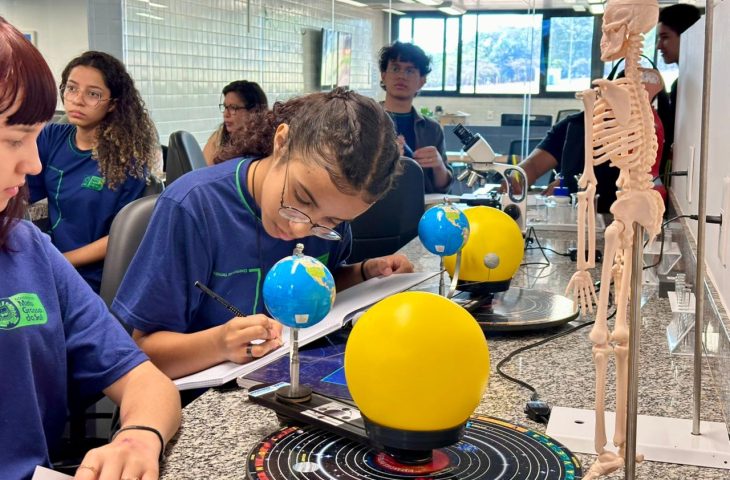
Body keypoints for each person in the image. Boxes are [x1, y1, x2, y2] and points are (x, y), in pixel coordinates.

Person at [112, 88, 414, 381]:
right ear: (281, 143)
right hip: (203, 397)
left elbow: (312, 285)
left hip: (290, 375)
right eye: (301, 198)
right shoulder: (194, 207)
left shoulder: (327, 212)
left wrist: (363, 273)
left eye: (331, 221)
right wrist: (219, 344)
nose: (300, 229)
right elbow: (142, 352)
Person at [0, 16, 180, 480]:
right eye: (14, 139)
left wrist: (137, 438)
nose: (33, 163)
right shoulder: (58, 145)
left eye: (34, 137)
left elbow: (146, 382)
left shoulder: (27, 251)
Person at [27, 51, 159, 293]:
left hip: (94, 277)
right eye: (72, 88)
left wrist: (62, 261)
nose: (78, 100)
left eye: (93, 94)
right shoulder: (52, 137)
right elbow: (22, 193)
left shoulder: (126, 161)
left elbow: (123, 237)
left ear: (113, 104)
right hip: (50, 262)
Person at [516, 68, 666, 213]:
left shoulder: (652, 135)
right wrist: (515, 178)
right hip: (572, 212)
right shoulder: (574, 126)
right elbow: (533, 165)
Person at [378, 41, 452, 194]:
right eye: (395, 68)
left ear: (421, 81)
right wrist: (384, 161)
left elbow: (443, 187)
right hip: (375, 206)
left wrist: (439, 165)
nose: (401, 76)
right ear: (383, 76)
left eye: (410, 71)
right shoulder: (364, 121)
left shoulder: (432, 129)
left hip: (422, 206)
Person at [656, 3, 702, 163]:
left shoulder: (697, 83)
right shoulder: (680, 83)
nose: (658, 46)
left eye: (665, 37)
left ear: (687, 35)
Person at [203, 80, 268, 165]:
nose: (226, 114)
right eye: (225, 107)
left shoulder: (269, 141)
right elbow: (202, 170)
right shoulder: (218, 138)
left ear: (254, 111)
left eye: (233, 108)